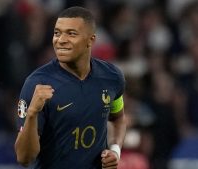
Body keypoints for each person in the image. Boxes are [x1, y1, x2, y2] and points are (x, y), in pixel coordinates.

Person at [14, 6, 127, 169]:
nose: (60, 39)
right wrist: (32, 113)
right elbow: (24, 157)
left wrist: (115, 150)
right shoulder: (37, 83)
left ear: (91, 40)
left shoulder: (111, 77)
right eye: (57, 33)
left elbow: (118, 118)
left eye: (71, 33)